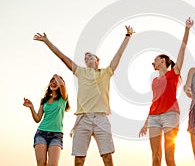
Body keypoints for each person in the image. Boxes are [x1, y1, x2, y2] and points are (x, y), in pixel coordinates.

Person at [33, 26, 135, 166]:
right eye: (85, 58)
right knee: (79, 160)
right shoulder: (80, 72)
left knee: (107, 157)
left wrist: (127, 36)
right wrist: (47, 41)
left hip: (101, 118)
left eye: (90, 56)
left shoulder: (106, 72)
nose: (87, 58)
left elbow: (118, 55)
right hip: (82, 119)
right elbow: (62, 57)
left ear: (97, 59)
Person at [139, 17, 193, 166]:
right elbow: (154, 102)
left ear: (163, 60)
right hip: (154, 117)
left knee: (169, 157)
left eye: (154, 60)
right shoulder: (154, 81)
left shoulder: (173, 74)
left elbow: (182, 48)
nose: (153, 63)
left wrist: (187, 29)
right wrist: (145, 123)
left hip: (170, 115)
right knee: (156, 157)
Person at [23, 74, 70, 166]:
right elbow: (37, 119)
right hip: (41, 133)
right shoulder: (44, 100)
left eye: (56, 81)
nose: (53, 82)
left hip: (56, 136)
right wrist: (31, 107)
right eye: (52, 81)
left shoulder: (63, 98)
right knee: (41, 164)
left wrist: (56, 76)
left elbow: (62, 85)